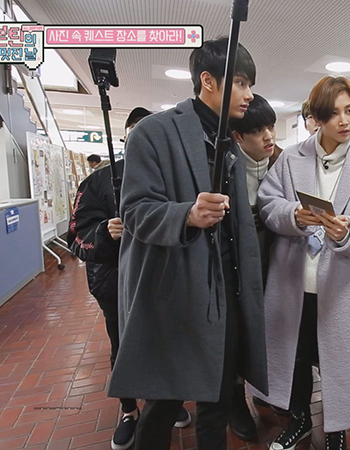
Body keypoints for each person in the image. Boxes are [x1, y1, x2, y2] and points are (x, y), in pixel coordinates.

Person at [108, 38, 268, 450]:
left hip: (226, 292)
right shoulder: (154, 132)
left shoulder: (228, 143)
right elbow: (135, 211)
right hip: (176, 292)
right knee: (164, 401)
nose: (249, 94)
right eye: (241, 83)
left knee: (219, 396)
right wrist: (188, 215)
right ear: (208, 81)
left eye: (250, 85)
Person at [254, 76, 350, 450]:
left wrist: (348, 232)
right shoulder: (290, 159)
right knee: (294, 355)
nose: (345, 121)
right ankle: (298, 419)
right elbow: (267, 203)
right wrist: (293, 216)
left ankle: (335, 430)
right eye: (334, 113)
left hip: (338, 283)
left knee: (336, 360)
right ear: (316, 118)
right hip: (292, 280)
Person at [69, 106, 195, 450]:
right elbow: (76, 238)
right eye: (136, 135)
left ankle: (167, 402)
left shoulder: (175, 177)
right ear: (125, 139)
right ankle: (128, 411)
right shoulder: (97, 181)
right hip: (116, 284)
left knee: (167, 343)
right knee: (123, 346)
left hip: (166, 279)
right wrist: (105, 233)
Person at [222, 93, 281, 441]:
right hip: (234, 269)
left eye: (270, 127)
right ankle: (235, 399)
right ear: (238, 136)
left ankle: (266, 389)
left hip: (274, 265)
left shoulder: (282, 162)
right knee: (236, 334)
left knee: (269, 330)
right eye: (258, 131)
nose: (268, 137)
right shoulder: (223, 169)